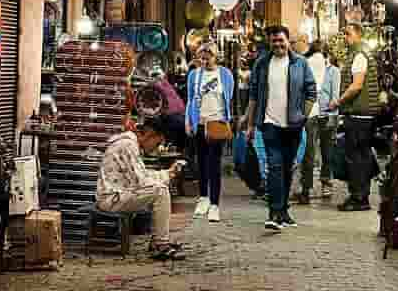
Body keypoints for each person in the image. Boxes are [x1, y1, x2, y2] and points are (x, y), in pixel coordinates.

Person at [240, 25, 316, 232]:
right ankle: (274, 212)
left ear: (287, 40)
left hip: (293, 125)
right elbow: (254, 96)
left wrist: (303, 115)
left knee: (287, 167)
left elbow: (311, 91)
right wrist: (249, 124)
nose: (278, 44)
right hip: (269, 124)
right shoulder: (262, 64)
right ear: (269, 43)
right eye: (274, 41)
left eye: (280, 40)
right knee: (274, 166)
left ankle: (283, 211)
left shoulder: (300, 63)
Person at [96, 121, 187, 260]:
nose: (155, 148)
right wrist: (166, 176)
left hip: (117, 195)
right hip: (111, 198)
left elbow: (140, 175)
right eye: (156, 144)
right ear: (149, 135)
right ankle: (161, 244)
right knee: (160, 191)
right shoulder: (128, 145)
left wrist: (168, 173)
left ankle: (158, 239)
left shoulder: (129, 144)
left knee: (159, 190)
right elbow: (141, 182)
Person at [336, 18, 382, 211]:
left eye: (348, 34)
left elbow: (356, 86)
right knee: (360, 155)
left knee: (357, 157)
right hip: (361, 113)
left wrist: (338, 101)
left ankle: (359, 197)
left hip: (359, 114)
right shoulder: (359, 53)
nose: (345, 38)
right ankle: (359, 195)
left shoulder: (360, 55)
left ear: (358, 34)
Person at [185, 42, 234, 222]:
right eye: (202, 58)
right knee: (201, 162)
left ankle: (215, 204)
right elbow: (190, 99)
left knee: (214, 164)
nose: (204, 61)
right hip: (200, 123)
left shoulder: (225, 75)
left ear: (216, 57)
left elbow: (228, 98)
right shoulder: (194, 75)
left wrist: (226, 120)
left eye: (208, 57)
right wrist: (188, 121)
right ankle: (203, 197)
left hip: (217, 123)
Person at [294, 34, 339, 203]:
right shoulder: (309, 64)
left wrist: (331, 110)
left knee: (326, 151)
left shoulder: (331, 70)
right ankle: (306, 187)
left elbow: (334, 95)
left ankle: (325, 181)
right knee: (309, 151)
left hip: (326, 114)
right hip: (313, 113)